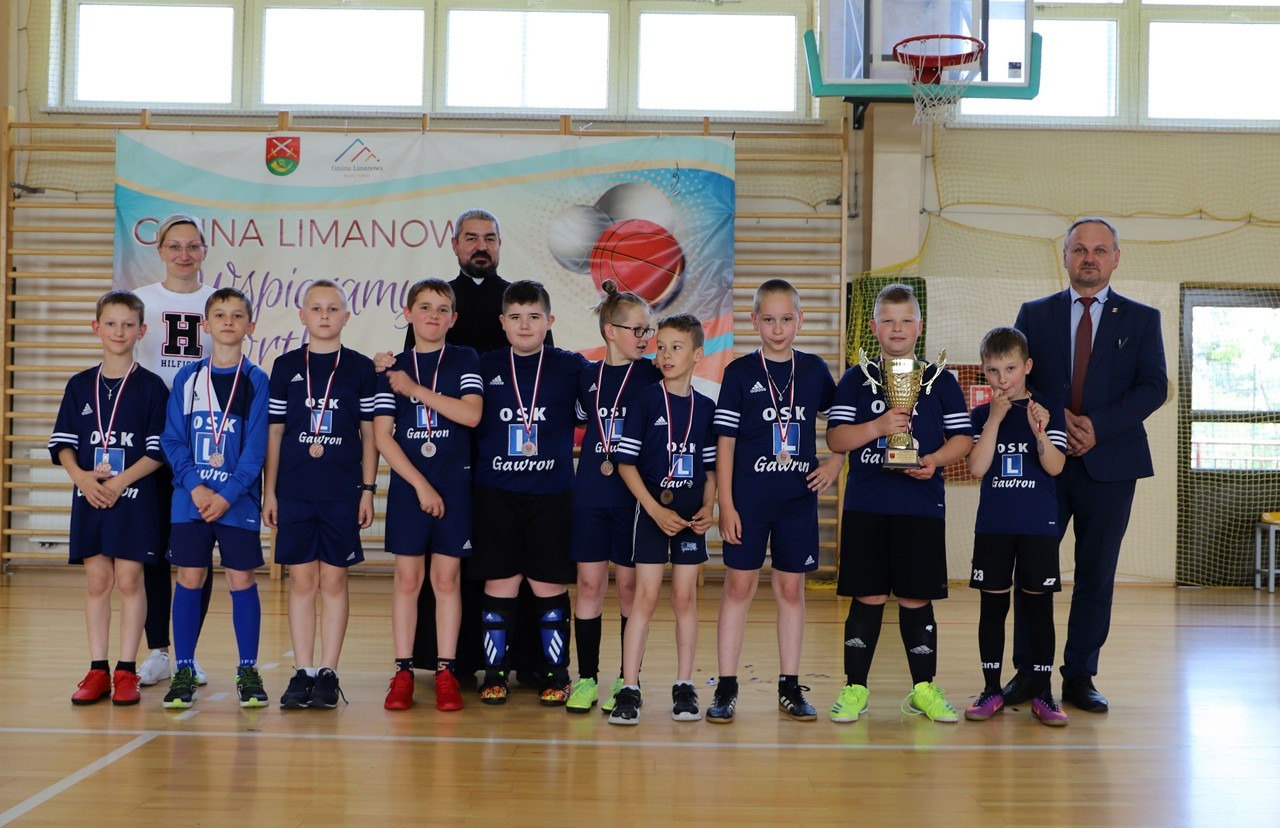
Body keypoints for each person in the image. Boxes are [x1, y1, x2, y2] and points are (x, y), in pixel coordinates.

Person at [1004, 218, 1168, 713]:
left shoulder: (1142, 319)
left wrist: (1097, 426)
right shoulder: (1033, 314)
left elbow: (1153, 386)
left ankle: (1079, 676)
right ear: (1065, 256)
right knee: (1034, 571)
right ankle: (1030, 673)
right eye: (1080, 249)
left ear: (1116, 258)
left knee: (1096, 574)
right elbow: (1018, 379)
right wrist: (1059, 420)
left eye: (1099, 249)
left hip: (1111, 464)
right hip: (1044, 463)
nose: (1089, 257)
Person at [825, 283, 974, 724]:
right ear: (874, 327)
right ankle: (855, 688)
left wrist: (934, 461)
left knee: (915, 597)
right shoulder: (856, 378)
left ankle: (923, 690)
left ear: (919, 327)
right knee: (867, 596)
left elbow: (963, 439)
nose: (897, 328)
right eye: (888, 320)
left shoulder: (940, 381)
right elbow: (836, 438)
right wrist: (878, 426)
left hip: (920, 505)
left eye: (906, 320)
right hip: (867, 505)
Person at [710, 279, 844, 723]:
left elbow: (842, 423)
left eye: (787, 319)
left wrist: (835, 462)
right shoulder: (739, 373)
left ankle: (789, 685)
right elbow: (725, 443)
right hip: (748, 502)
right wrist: (726, 505)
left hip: (796, 502)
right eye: (768, 319)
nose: (778, 328)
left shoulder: (814, 370)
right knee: (738, 587)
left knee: (790, 589)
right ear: (754, 321)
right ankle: (726, 686)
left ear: (800, 320)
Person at [51, 290, 170, 706]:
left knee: (129, 580)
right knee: (98, 581)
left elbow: (157, 451)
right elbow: (63, 444)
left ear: (142, 330)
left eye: (128, 324)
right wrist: (81, 477)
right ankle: (98, 670)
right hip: (90, 496)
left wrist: (119, 483)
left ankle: (126, 670)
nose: (119, 331)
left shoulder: (152, 387)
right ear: (96, 328)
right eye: (111, 323)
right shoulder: (79, 385)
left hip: (133, 498)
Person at [471, 280, 587, 706]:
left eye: (534, 317)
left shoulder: (571, 366)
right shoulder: (482, 365)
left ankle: (558, 673)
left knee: (548, 584)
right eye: (516, 317)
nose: (525, 325)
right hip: (495, 493)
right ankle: (494, 673)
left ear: (549, 321)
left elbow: (607, 393)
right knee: (500, 583)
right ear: (502, 322)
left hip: (552, 494)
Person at [263, 280, 378, 710]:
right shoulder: (286, 366)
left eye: (333, 308)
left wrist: (368, 490)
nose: (325, 315)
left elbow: (370, 435)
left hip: (341, 492)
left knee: (333, 579)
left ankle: (328, 671)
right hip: (294, 491)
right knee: (302, 581)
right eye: (316, 308)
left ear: (346, 316)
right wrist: (270, 491)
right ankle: (303, 671)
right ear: (303, 316)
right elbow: (275, 433)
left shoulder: (360, 368)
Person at [159, 287, 270, 709]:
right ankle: (184, 668)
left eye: (237, 315)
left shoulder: (256, 380)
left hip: (236, 502)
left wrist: (227, 495)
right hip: (191, 499)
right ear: (205, 324)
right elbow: (172, 439)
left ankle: (248, 669)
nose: (228, 322)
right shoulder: (187, 379)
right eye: (220, 315)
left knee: (242, 579)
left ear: (250, 326)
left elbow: (256, 450)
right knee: (190, 577)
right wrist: (196, 486)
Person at [375, 278, 483, 712]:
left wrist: (416, 390)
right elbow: (383, 437)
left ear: (453, 318)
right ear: (408, 314)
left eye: (442, 309)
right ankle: (402, 671)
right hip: (409, 486)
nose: (433, 315)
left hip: (454, 483)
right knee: (407, 580)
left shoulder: (464, 358)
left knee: (446, 580)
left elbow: (471, 415)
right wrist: (420, 485)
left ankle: (445, 672)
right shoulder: (392, 366)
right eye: (424, 307)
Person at [608, 313, 718, 726]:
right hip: (652, 513)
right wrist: (654, 509)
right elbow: (625, 464)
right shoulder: (646, 400)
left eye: (677, 347)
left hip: (690, 518)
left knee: (685, 598)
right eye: (662, 347)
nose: (667, 355)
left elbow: (711, 470)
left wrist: (709, 507)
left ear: (697, 355)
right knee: (646, 597)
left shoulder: (706, 407)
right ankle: (629, 687)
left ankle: (684, 685)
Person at [963, 327, 1069, 726]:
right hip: (994, 526)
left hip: (1038, 527)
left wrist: (1040, 431)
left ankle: (1043, 692)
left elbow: (1055, 467)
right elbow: (976, 468)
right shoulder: (980, 415)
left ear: (1027, 366)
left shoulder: (1048, 409)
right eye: (993, 370)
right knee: (992, 607)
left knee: (1039, 609)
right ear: (984, 371)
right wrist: (994, 418)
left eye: (1010, 368)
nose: (1002, 378)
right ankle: (991, 689)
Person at [566, 282, 661, 714]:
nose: (645, 337)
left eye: (647, 329)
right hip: (590, 493)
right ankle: (586, 678)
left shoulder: (653, 376)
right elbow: (580, 419)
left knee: (628, 587)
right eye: (637, 329)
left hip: (632, 497)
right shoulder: (586, 375)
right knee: (589, 584)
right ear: (610, 331)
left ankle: (627, 678)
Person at [132, 214, 216, 689]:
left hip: (202, 443)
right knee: (151, 550)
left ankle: (188, 653)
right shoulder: (141, 301)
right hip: (150, 441)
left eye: (192, 246)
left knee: (195, 552)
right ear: (160, 250)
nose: (184, 254)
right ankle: (157, 651)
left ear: (204, 250)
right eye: (175, 246)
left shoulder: (217, 302)